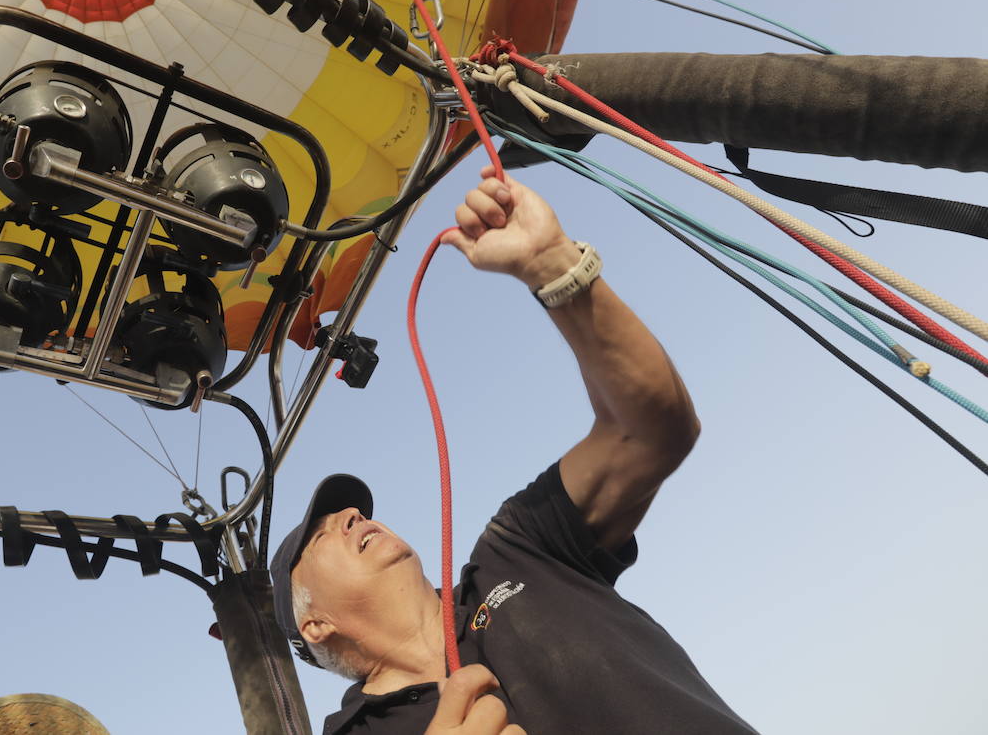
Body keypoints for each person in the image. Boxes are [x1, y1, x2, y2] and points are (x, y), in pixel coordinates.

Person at [269, 167, 758, 734]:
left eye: (349, 511)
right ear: (316, 626)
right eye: (323, 532)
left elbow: (651, 430)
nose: (354, 516)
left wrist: (553, 266)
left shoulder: (517, 550)